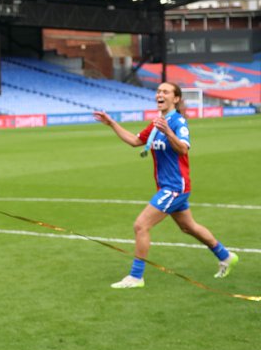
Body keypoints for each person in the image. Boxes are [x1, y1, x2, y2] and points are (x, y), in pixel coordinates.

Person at [94, 83, 238, 288]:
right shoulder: (157, 123)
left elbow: (183, 149)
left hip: (175, 186)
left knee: (141, 225)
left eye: (165, 92)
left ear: (176, 99)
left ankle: (136, 277)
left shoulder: (178, 122)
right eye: (158, 91)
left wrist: (169, 132)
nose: (159, 94)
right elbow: (135, 141)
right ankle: (226, 256)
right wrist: (111, 123)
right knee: (188, 227)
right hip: (167, 186)